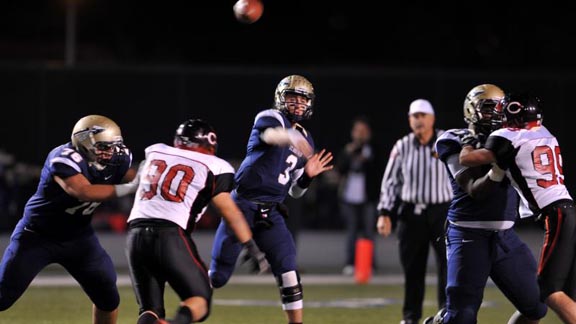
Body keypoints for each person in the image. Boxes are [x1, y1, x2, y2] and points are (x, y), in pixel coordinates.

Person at [209, 74, 334, 324]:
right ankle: (186, 307)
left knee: (288, 269)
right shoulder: (271, 118)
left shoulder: (306, 138)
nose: (298, 103)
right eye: (292, 97)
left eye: (302, 99)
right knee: (217, 277)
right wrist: (291, 137)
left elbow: (295, 191)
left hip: (271, 212)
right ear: (280, 99)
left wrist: (308, 176)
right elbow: (270, 136)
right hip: (241, 205)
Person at [124, 118, 269, 324]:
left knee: (149, 310)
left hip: (134, 236)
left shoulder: (155, 152)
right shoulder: (215, 165)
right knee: (200, 300)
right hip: (169, 235)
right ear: (209, 144)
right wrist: (251, 247)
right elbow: (230, 212)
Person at [0, 114, 139, 324]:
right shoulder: (63, 157)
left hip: (78, 238)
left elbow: (136, 177)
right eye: (104, 146)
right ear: (84, 143)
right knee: (3, 296)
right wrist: (130, 187)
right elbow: (82, 190)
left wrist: (149, 176)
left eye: (114, 146)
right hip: (37, 236)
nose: (111, 153)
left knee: (107, 296)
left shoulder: (117, 160)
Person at [428, 85, 547, 324]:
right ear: (472, 110)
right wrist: (499, 166)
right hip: (468, 234)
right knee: (461, 317)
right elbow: (474, 190)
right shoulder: (455, 139)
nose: (497, 113)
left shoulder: (512, 136)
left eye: (501, 107)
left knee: (536, 307)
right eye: (490, 107)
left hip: (505, 236)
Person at [459, 92, 576, 323]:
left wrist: (468, 142)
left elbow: (467, 159)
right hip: (568, 209)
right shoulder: (546, 134)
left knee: (549, 290)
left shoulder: (508, 136)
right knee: (566, 295)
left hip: (557, 214)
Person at [376, 98, 452, 324]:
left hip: (443, 212)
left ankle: (447, 314)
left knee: (449, 267)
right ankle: (410, 317)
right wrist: (384, 213)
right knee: (412, 269)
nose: (418, 120)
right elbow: (390, 182)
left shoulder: (447, 140)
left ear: (432, 118)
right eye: (414, 116)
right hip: (411, 214)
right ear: (409, 120)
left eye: (422, 116)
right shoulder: (403, 146)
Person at [336, 115, 382, 276]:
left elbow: (378, 171)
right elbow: (340, 169)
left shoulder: (374, 149)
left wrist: (366, 159)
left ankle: (370, 263)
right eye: (358, 131)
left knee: (369, 231)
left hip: (368, 197)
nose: (360, 134)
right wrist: (349, 153)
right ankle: (350, 263)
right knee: (352, 231)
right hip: (349, 197)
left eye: (363, 131)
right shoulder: (348, 148)